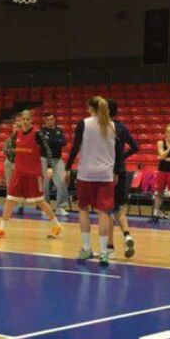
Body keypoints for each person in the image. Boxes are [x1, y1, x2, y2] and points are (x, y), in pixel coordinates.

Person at [65, 96, 116, 267]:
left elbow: (75, 147)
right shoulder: (113, 126)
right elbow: (117, 152)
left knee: (83, 209)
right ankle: (104, 253)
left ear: (90, 108)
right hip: (106, 174)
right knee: (104, 213)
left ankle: (87, 248)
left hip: (86, 173)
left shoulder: (84, 124)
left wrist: (67, 168)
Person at [0, 110, 63, 239]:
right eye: (23, 119)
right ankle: (1, 229)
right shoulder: (17, 133)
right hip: (19, 173)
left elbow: (48, 150)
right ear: (20, 120)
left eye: (28, 119)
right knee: (10, 200)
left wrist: (49, 167)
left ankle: (56, 225)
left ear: (31, 120)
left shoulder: (37, 133)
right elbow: (9, 148)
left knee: (40, 202)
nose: (25, 121)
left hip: (33, 174)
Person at [108, 99, 139, 258]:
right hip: (121, 171)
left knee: (107, 211)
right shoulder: (122, 127)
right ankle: (127, 236)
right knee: (119, 209)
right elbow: (135, 147)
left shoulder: (106, 128)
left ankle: (110, 248)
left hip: (108, 172)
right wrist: (122, 157)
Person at [36, 112, 69, 216]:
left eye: (52, 119)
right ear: (44, 120)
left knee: (62, 181)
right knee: (45, 184)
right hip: (45, 159)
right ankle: (45, 207)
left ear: (54, 120)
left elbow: (63, 142)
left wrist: (52, 141)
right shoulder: (41, 132)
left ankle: (60, 207)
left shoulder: (59, 130)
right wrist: (56, 141)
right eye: (48, 119)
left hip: (57, 159)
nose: (50, 121)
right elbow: (46, 143)